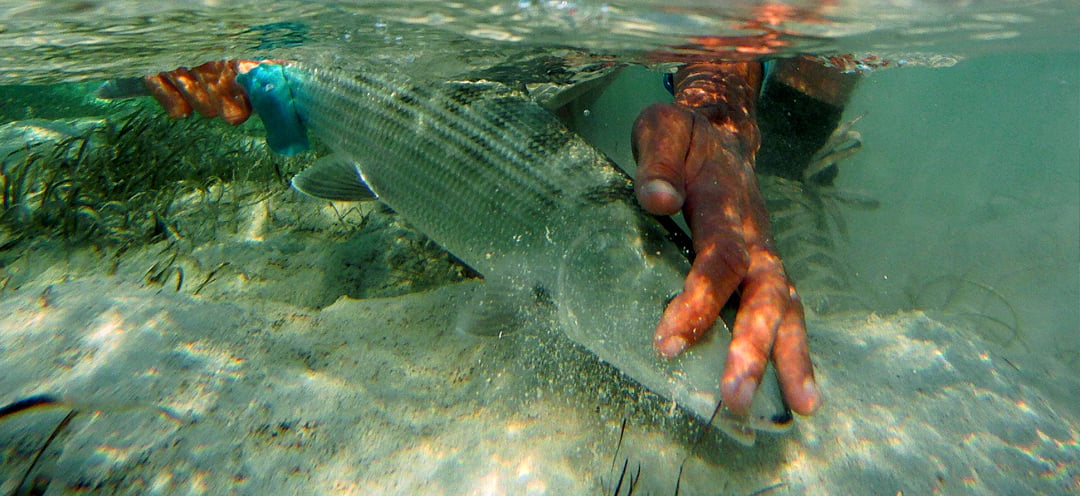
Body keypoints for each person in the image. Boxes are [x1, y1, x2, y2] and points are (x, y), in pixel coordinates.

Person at [134, 54, 857, 421]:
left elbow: (725, 20)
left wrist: (723, 127)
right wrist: (214, 44)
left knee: (808, 81)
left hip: (555, 56)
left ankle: (788, 164)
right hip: (431, 76)